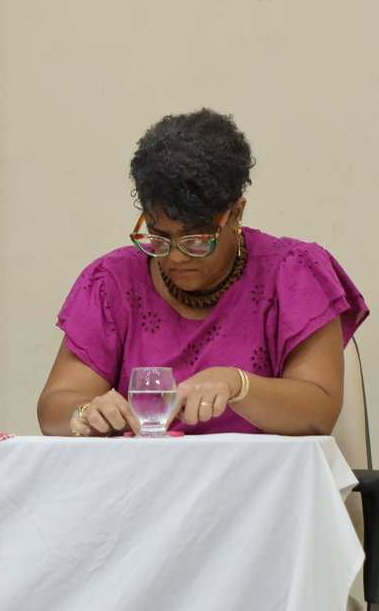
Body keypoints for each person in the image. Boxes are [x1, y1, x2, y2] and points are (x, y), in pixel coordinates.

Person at [38, 109, 368, 437]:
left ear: (236, 214)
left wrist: (238, 385)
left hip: (261, 472)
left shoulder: (292, 275)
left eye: (196, 240)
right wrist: (84, 413)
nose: (176, 257)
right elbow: (54, 406)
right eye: (159, 238)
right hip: (143, 472)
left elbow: (318, 412)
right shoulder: (113, 282)